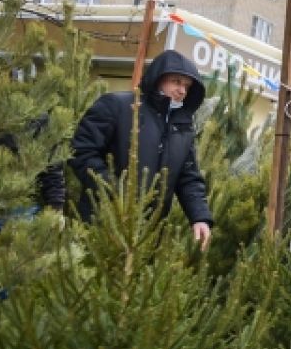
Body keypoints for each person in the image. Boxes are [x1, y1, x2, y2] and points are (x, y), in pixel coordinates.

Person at [69, 49, 212, 249]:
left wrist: (200, 217)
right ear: (158, 78)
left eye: (187, 86)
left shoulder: (182, 127)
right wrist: (114, 192)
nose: (182, 90)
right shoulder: (117, 106)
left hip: (147, 235)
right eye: (176, 82)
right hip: (103, 223)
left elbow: (188, 177)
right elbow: (81, 152)